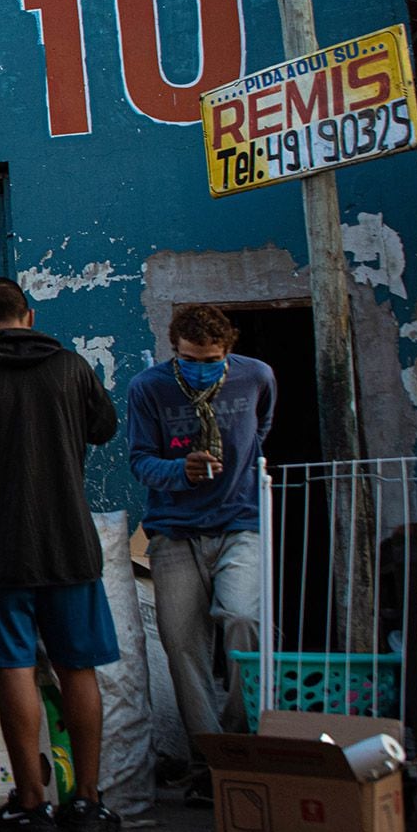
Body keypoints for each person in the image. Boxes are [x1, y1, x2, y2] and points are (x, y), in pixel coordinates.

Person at [0, 277, 121, 832]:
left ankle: (31, 804)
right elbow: (104, 430)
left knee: (15, 666)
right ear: (28, 316)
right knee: (76, 666)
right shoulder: (72, 367)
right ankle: (86, 800)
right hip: (69, 547)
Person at [126, 304, 274, 804]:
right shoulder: (149, 387)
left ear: (227, 350)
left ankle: (239, 742)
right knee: (182, 646)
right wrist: (179, 472)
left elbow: (261, 431)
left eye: (211, 359)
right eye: (191, 358)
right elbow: (140, 460)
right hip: (174, 531)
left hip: (240, 522)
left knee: (241, 618)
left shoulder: (257, 377)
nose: (201, 367)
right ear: (175, 352)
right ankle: (208, 763)